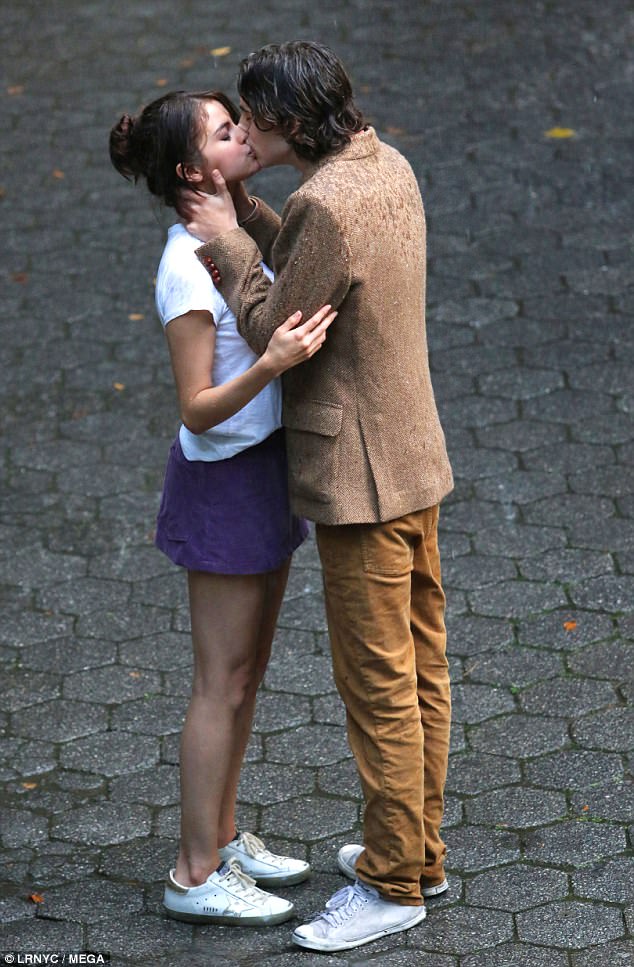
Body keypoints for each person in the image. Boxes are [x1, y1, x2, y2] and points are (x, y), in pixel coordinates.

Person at [181, 42, 454, 952]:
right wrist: (254, 214)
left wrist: (224, 241)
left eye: (253, 121)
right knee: (422, 667)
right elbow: (309, 254)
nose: (246, 133)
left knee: (378, 686)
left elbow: (276, 323)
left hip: (359, 481)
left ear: (290, 124)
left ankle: (390, 884)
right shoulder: (383, 164)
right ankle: (420, 851)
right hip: (416, 458)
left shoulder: (323, 206)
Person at [109, 88, 336, 928]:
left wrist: (240, 205)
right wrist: (273, 362)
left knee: (248, 678)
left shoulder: (230, 233)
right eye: (225, 130)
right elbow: (197, 405)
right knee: (220, 682)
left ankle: (226, 835)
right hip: (224, 479)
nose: (246, 133)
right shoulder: (184, 265)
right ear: (188, 169)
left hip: (267, 469)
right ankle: (194, 869)